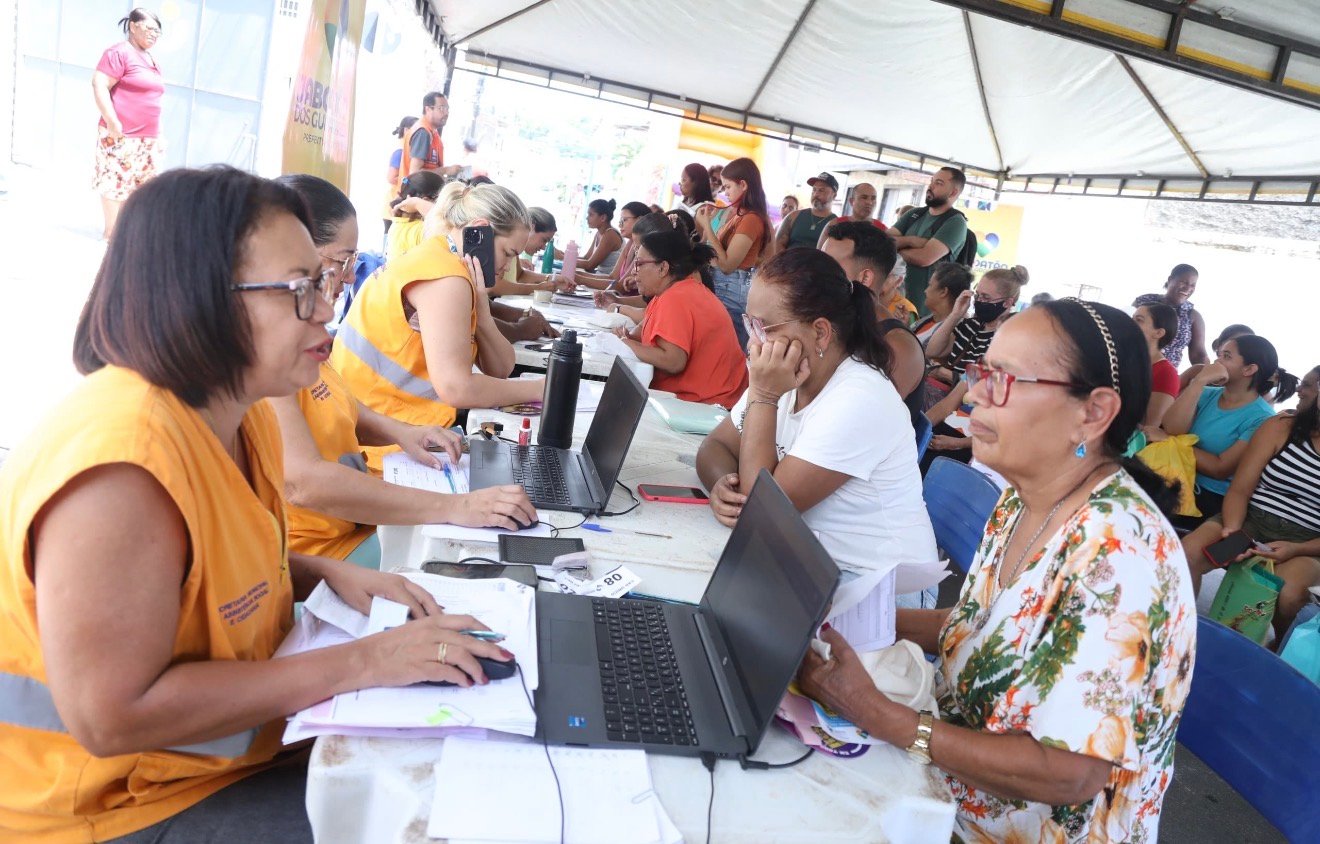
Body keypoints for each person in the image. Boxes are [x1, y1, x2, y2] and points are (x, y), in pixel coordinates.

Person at [0, 167, 513, 843]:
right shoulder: (120, 465)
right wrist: (368, 661)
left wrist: (325, 573)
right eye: (302, 289)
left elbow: (202, 569)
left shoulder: (238, 416)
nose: (327, 309)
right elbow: (112, 716)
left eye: (328, 281)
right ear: (199, 296)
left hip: (215, 756)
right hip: (115, 804)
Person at [797, 298, 1194, 843]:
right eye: (983, 371)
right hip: (948, 783)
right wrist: (835, 617)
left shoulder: (1120, 554)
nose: (977, 393)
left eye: (1005, 379)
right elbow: (981, 627)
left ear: (1094, 412)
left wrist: (881, 716)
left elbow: (1071, 772)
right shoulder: (1026, 497)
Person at [271, 174, 536, 568]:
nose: (347, 282)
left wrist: (403, 432)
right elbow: (301, 482)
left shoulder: (300, 333)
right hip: (318, 546)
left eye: (351, 264)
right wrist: (456, 506)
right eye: (340, 263)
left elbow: (334, 406)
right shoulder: (264, 354)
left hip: (346, 522)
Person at [696, 249, 936, 589]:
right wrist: (723, 485)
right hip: (807, 560)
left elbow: (763, 514)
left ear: (820, 333)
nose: (753, 343)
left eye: (763, 327)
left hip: (876, 586)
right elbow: (716, 446)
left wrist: (763, 396)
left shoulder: (859, 398)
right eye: (750, 324)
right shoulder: (786, 374)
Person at [331, 182, 545, 467]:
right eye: (508, 253)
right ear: (479, 230)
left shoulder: (444, 260)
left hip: (382, 427)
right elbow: (457, 388)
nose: (508, 265)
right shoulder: (446, 278)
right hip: (382, 444)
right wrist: (543, 389)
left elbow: (501, 368)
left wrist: (481, 306)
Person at [1180, 366, 1320, 633]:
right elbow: (1240, 489)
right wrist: (1233, 532)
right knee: (1189, 554)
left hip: (1305, 542)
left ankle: (1278, 651)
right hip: (1249, 523)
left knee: (1287, 593)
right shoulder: (1281, 427)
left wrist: (1295, 549)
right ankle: (1182, 633)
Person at [1151, 334, 1285, 520]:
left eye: (1227, 357)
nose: (1217, 361)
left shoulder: (1262, 419)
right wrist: (1198, 382)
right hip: (1173, 475)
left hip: (1207, 495)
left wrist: (1169, 441)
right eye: (1219, 355)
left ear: (1249, 369)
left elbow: (1219, 468)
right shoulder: (1207, 393)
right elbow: (1172, 428)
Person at [610, 229, 748, 408]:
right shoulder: (668, 293)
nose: (634, 272)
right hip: (711, 400)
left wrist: (625, 342)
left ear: (663, 268)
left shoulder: (677, 297)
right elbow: (639, 335)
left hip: (711, 406)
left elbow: (673, 361)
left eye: (639, 264)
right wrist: (627, 338)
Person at [923, 267, 1029, 465]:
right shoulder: (979, 361)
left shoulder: (1020, 380)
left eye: (986, 298)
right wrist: (917, 427)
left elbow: (1006, 429)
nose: (979, 302)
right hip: (956, 427)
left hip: (976, 444)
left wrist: (957, 443)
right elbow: (950, 401)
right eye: (977, 295)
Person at [820, 221, 925, 408]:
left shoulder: (898, 346)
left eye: (830, 265)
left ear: (865, 278)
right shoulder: (828, 320)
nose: (816, 271)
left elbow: (859, 416)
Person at [91, 8, 164, 240]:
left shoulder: (150, 59)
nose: (154, 34)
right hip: (122, 134)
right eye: (150, 28)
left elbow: (153, 100)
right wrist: (112, 122)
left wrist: (158, 135)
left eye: (158, 31)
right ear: (133, 26)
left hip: (147, 139)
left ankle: (129, 234)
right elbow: (99, 83)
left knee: (141, 187)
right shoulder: (119, 52)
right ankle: (111, 234)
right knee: (115, 183)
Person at [695, 157, 773, 349]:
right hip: (724, 285)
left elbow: (728, 265)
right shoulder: (739, 215)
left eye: (728, 187)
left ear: (743, 185)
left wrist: (707, 226)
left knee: (723, 348)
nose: (725, 192)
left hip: (732, 289)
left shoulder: (751, 219)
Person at [888, 168, 970, 315]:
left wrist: (896, 247)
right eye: (931, 181)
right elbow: (883, 241)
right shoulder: (914, 214)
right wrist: (912, 241)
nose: (930, 186)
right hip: (894, 300)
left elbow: (924, 258)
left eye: (938, 183)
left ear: (953, 192)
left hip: (924, 309)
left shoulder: (955, 222)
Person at [1132, 264, 1207, 369]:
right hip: (1132, 365)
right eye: (1184, 282)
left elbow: (1198, 355)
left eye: (1192, 285)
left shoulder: (1193, 316)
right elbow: (1126, 330)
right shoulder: (1144, 301)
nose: (1188, 288)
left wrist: (1209, 376)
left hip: (1165, 375)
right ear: (1170, 279)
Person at [574, 201, 650, 290]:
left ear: (639, 220)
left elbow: (621, 286)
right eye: (620, 220)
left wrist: (580, 279)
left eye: (624, 220)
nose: (620, 224)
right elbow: (613, 277)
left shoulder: (643, 248)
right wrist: (578, 275)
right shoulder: (630, 243)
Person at [1133, 301, 1181, 427]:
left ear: (1159, 333)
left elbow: (1150, 427)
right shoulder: (1122, 358)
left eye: (1139, 320)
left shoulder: (1166, 373)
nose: (1130, 324)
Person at [398, 91, 461, 187]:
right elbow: (415, 174)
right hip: (413, 196)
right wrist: (447, 170)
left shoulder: (432, 132)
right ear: (427, 109)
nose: (446, 113)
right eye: (441, 108)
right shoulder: (423, 132)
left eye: (447, 109)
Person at [385, 170, 444, 263]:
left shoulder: (398, 223)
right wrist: (417, 203)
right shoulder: (422, 229)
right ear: (425, 201)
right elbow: (445, 223)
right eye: (443, 201)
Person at [912, 261, 973, 346]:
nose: (925, 291)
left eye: (930, 285)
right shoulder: (929, 319)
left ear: (943, 292)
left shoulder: (957, 330)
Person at [1179, 322, 1253, 392]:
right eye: (1235, 345)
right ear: (1219, 348)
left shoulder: (1256, 386)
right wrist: (1200, 380)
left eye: (1248, 347)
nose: (1241, 351)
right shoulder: (1196, 372)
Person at [777, 172, 838, 251]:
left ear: (834, 195)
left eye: (821, 190)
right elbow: (778, 245)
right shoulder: (793, 216)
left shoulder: (837, 224)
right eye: (814, 189)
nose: (816, 194)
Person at [817, 182, 885, 247]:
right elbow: (820, 254)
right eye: (864, 197)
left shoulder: (883, 230)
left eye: (873, 198)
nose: (869, 202)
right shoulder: (834, 225)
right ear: (852, 201)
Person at [381, 115, 418, 239]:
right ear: (407, 131)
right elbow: (391, 177)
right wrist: (409, 181)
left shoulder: (406, 150)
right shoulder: (400, 151)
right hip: (394, 202)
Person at [577, 198, 624, 273]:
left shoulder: (610, 234)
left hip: (607, 281)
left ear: (603, 218)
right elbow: (586, 258)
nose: (587, 218)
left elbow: (590, 265)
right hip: (599, 276)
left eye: (591, 215)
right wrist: (564, 256)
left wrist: (563, 258)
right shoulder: (598, 233)